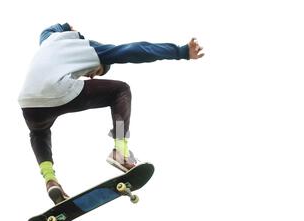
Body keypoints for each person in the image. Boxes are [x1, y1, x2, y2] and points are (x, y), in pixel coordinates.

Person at [18, 22, 204, 204]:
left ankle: (50, 180)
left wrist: (66, 26)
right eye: (95, 71)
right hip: (58, 90)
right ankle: (121, 151)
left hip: (27, 102)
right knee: (120, 90)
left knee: (38, 132)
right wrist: (181, 52)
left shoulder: (48, 39)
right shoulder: (89, 48)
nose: (89, 76)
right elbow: (136, 50)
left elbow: (51, 28)